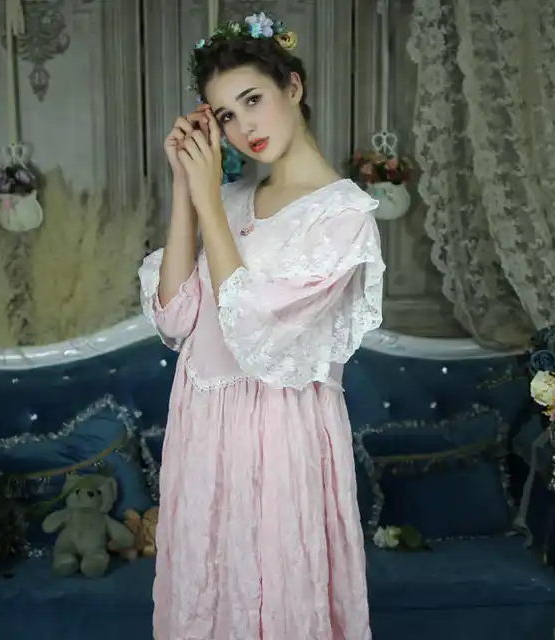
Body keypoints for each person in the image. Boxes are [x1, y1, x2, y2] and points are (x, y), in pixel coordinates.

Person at [138, 12, 385, 640]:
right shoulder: (229, 199)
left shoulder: (344, 216)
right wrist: (187, 188)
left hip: (280, 435)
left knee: (277, 601)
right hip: (203, 430)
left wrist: (208, 200)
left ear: (292, 87)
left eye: (253, 100)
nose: (243, 127)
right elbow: (174, 316)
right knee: (206, 598)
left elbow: (255, 330)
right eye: (225, 114)